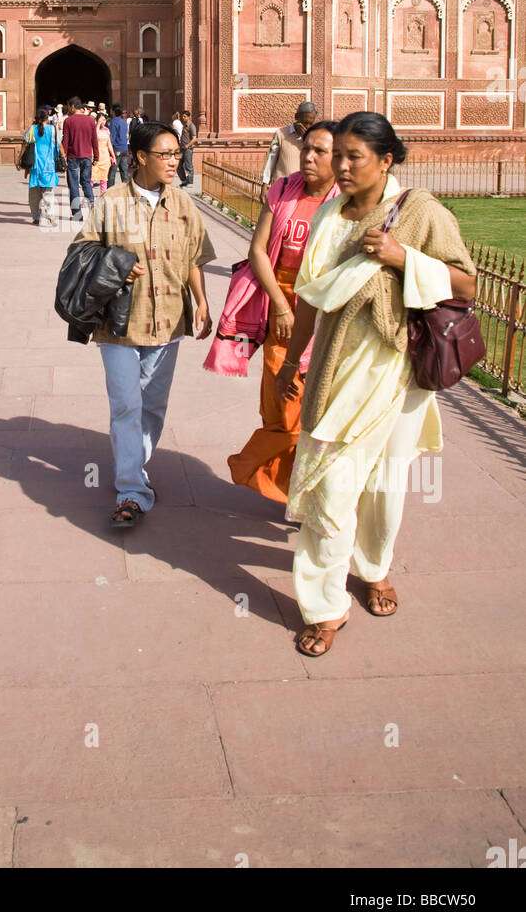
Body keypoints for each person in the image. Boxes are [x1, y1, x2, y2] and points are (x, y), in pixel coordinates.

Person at [274, 112, 477, 657]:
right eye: (335, 153)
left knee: (385, 491)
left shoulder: (420, 214)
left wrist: (402, 256)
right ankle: (323, 606)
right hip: (337, 373)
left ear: (386, 161)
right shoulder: (329, 217)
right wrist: (292, 364)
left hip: (398, 374)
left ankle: (374, 568)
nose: (338, 166)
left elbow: (465, 281)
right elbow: (312, 300)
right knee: (330, 487)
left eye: (352, 156)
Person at [69, 120, 215, 529]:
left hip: (168, 320)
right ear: (140, 157)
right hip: (118, 323)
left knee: (152, 405)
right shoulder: (112, 201)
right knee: (126, 405)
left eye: (177, 153)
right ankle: (131, 489)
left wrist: (201, 302)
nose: (175, 160)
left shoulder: (183, 204)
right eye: (166, 154)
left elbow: (194, 258)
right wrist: (114, 266)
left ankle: (136, 463)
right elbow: (81, 251)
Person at [221, 122, 339, 505]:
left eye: (320, 151)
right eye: (306, 148)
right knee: (282, 407)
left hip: (326, 314)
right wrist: (283, 307)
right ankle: (286, 487)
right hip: (281, 310)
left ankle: (274, 475)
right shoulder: (283, 190)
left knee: (320, 410)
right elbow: (258, 251)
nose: (308, 156)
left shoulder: (344, 204)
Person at [260, 102, 318, 206]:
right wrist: (264, 186)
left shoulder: (314, 137)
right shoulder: (281, 134)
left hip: (303, 191)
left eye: (310, 123)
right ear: (296, 117)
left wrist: (306, 139)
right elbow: (271, 160)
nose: (307, 126)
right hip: (282, 189)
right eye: (304, 122)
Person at [62, 96, 98, 221]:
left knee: (73, 185)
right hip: (87, 156)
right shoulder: (90, 121)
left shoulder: (68, 121)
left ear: (72, 106)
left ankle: (77, 214)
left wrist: (63, 156)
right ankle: (94, 210)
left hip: (73, 156)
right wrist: (96, 156)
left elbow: (65, 141)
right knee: (86, 182)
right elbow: (94, 140)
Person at [24, 105, 59, 226]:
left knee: (34, 193)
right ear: (47, 117)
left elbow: (25, 144)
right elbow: (58, 146)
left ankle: (36, 217)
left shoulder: (32, 129)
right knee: (48, 193)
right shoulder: (52, 130)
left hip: (35, 166)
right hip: (48, 166)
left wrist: (22, 163)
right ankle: (51, 215)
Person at [92, 112, 116, 194]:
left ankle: (103, 194)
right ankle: (88, 194)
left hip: (105, 156)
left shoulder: (107, 130)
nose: (103, 121)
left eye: (104, 119)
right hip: (95, 155)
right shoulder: (94, 129)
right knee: (92, 176)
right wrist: (98, 125)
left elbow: (109, 144)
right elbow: (94, 137)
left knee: (104, 178)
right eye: (101, 119)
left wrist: (113, 155)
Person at [108, 104, 130, 186]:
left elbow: (112, 137)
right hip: (124, 148)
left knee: (112, 173)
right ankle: (127, 190)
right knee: (124, 172)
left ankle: (110, 191)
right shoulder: (123, 122)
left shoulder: (113, 121)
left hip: (116, 149)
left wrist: (110, 150)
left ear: (113, 111)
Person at [177, 109, 198, 188]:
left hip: (188, 149)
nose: (183, 118)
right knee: (179, 166)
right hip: (182, 148)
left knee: (188, 166)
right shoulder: (184, 125)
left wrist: (187, 145)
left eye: (185, 116)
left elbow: (194, 138)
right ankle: (184, 180)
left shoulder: (191, 126)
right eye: (182, 116)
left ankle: (190, 182)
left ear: (189, 117)